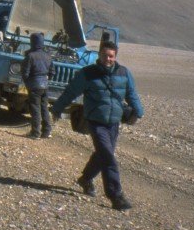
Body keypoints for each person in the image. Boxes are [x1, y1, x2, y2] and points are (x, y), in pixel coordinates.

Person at [52, 40, 143, 210]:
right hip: (96, 121)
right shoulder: (87, 74)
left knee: (102, 155)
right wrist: (57, 108)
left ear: (115, 56)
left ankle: (85, 179)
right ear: (99, 55)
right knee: (108, 157)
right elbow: (70, 92)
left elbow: (131, 94)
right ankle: (115, 196)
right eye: (105, 55)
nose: (108, 59)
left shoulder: (124, 73)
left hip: (114, 122)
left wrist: (138, 111)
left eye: (111, 56)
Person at [20, 32, 53, 139]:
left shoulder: (30, 56)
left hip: (34, 86)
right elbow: (52, 72)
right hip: (45, 85)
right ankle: (47, 132)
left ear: (32, 42)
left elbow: (25, 73)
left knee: (35, 109)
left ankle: (35, 133)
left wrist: (27, 83)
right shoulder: (48, 56)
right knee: (44, 108)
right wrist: (47, 79)